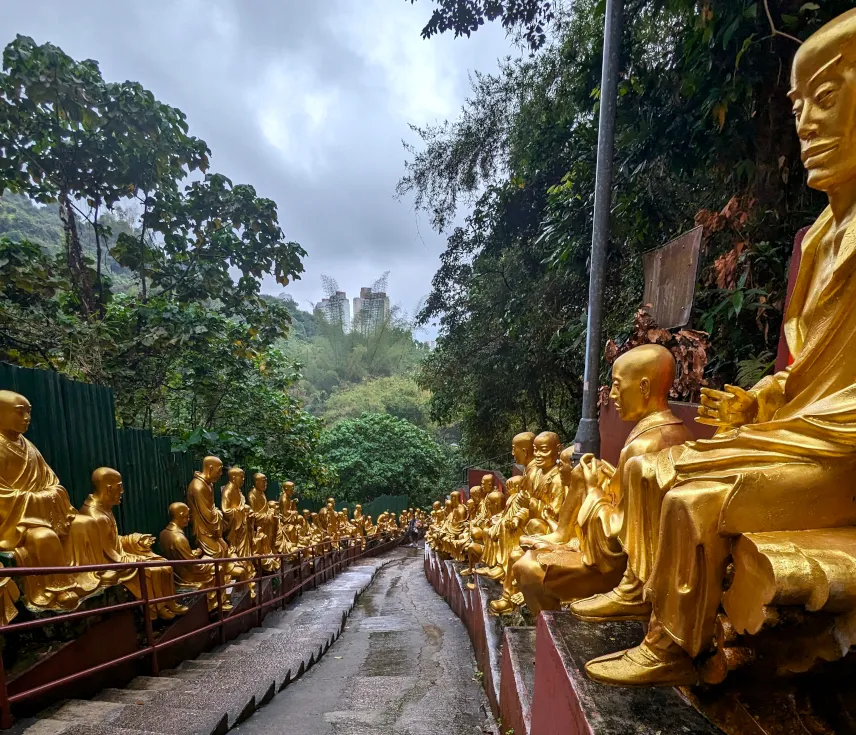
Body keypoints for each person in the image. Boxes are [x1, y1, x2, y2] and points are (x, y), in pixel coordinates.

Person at [586, 10, 856, 687]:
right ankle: (645, 594)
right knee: (664, 472)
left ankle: (675, 642)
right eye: (799, 108)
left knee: (691, 499)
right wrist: (763, 398)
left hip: (845, 448)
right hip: (807, 430)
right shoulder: (823, 239)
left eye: (828, 98)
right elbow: (810, 371)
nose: (807, 126)